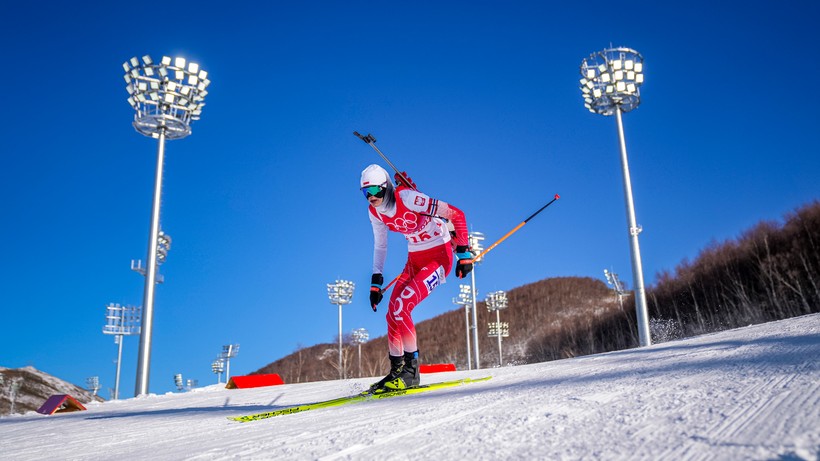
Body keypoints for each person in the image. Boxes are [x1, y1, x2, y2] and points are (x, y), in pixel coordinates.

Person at [360, 164, 473, 392]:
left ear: (387, 188)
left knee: (403, 307)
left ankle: (412, 372)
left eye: (376, 191)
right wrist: (376, 281)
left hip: (438, 257)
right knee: (393, 313)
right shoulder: (375, 212)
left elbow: (456, 214)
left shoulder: (408, 197)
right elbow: (380, 246)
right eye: (366, 193)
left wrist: (463, 254)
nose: (372, 198)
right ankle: (397, 370)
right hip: (414, 259)